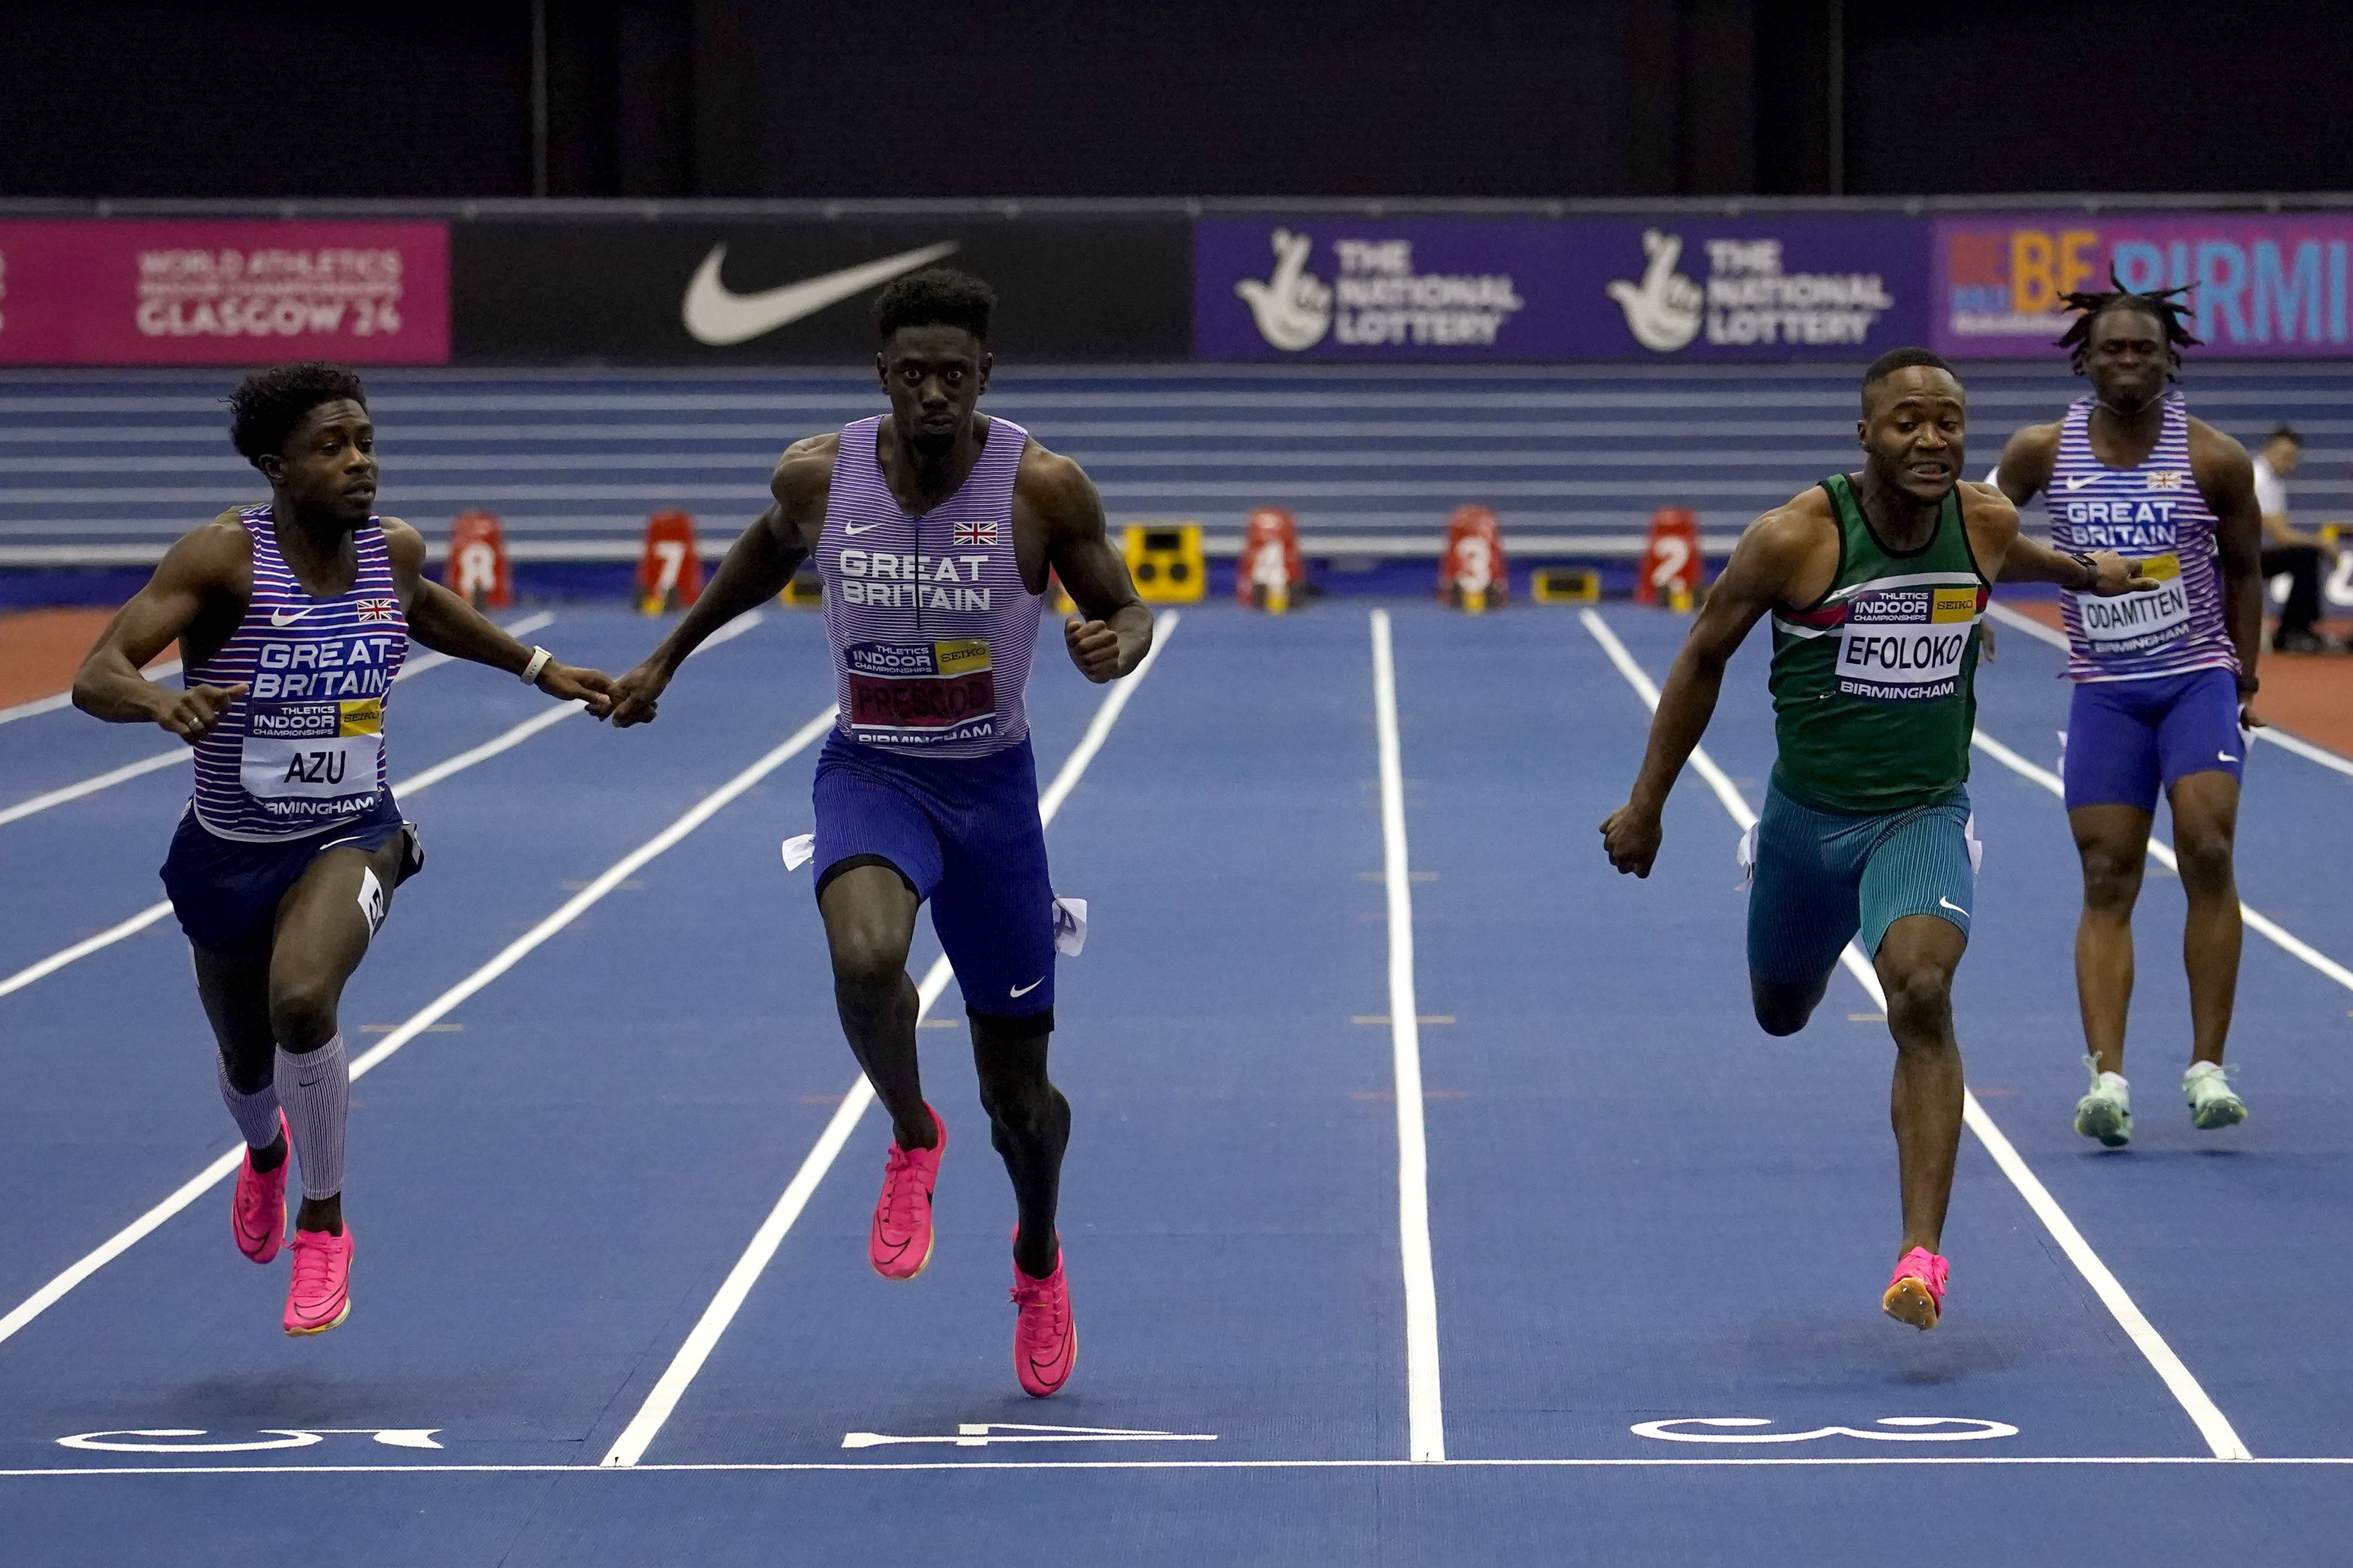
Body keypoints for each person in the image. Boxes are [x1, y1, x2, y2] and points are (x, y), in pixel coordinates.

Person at [608, 270, 1151, 1397]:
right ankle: (911, 1131)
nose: (934, 393)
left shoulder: (1041, 487)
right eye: (913, 374)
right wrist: (667, 653)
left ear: (984, 377)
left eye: (954, 373)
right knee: (864, 960)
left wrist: (1118, 643)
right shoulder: (818, 473)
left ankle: (1037, 1255)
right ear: (882, 377)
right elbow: (761, 552)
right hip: (870, 769)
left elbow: (1123, 602)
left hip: (992, 791)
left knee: (1022, 1103)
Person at [1600, 348, 2150, 1331]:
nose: (1929, 437)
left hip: (1920, 813)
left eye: (1946, 419)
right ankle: (1763, 875)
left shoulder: (1979, 519)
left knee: (1922, 991)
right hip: (1805, 824)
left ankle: (1918, 1255)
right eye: (1905, 420)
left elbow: (2011, 554)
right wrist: (1647, 804)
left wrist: (2084, 570)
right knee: (1779, 1007)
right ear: (1863, 435)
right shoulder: (1792, 538)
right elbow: (1699, 654)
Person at [71, 362, 614, 1336]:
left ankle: (324, 1223)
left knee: (300, 1000)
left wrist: (538, 666)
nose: (359, 462)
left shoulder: (391, 550)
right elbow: (97, 671)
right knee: (244, 1059)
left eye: (365, 441)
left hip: (353, 831)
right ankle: (268, 1156)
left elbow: (428, 605)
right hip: (227, 848)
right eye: (331, 448)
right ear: (276, 467)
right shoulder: (220, 560)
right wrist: (163, 700)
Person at [1996, 284, 2266, 1147]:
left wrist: (2244, 679)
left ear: (2166, 360)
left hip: (2193, 678)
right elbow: (1975, 526)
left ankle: (2205, 1067)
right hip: (2104, 687)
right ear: (2084, 358)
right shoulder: (2040, 450)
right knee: (2106, 873)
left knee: (2208, 848)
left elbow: (2245, 572)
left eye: (2140, 350)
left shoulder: (2212, 457)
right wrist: (1962, 615)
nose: (2124, 362)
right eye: (2110, 349)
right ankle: (2106, 1077)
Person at [2251, 426, 2341, 653]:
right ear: (2269, 450)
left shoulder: (2274, 482)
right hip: (2233, 557)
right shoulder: (2258, 478)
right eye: (2284, 456)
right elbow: (2281, 535)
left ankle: (2297, 627)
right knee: (2306, 555)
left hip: (2252, 553)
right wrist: (2322, 543)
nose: (2289, 462)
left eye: (2293, 458)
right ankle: (2294, 630)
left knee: (2303, 555)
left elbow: (2281, 534)